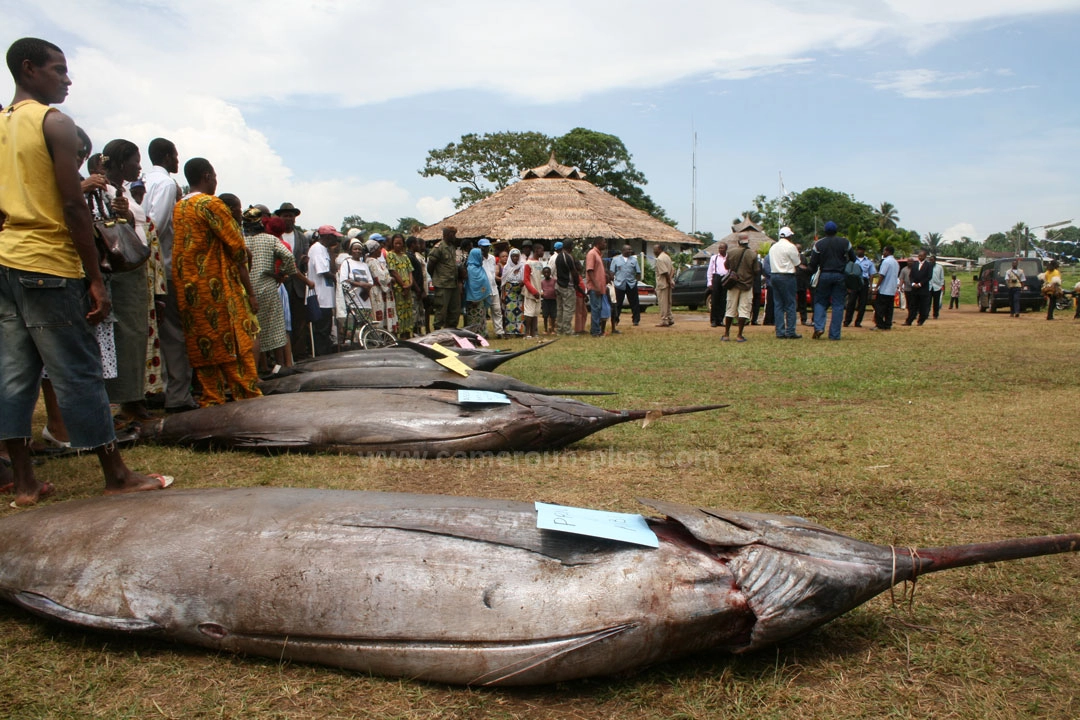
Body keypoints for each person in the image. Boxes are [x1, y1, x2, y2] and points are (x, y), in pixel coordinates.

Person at [1, 37, 173, 506]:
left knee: (13, 375)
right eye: (58, 70)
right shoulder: (53, 122)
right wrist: (95, 278)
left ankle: (25, 481)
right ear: (29, 68)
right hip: (49, 263)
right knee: (78, 370)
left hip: (8, 260)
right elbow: (73, 205)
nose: (67, 79)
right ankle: (116, 474)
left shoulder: (2, 124)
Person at [172, 158, 261, 405]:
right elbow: (236, 245)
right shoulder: (210, 203)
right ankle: (248, 397)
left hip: (189, 288)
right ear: (207, 176)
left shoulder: (179, 207)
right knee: (234, 342)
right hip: (217, 286)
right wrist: (245, 259)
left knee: (204, 345)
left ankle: (212, 399)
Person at [97, 139, 152, 426]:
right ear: (120, 162)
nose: (139, 167)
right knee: (125, 336)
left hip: (135, 268)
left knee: (136, 335)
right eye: (135, 161)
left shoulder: (125, 191)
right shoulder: (100, 190)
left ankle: (135, 398)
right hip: (119, 272)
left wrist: (128, 215)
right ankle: (125, 402)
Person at [142, 136, 195, 412]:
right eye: (175, 155)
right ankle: (178, 395)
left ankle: (157, 389)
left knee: (157, 333)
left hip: (147, 269)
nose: (177, 160)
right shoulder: (165, 184)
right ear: (166, 157)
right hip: (164, 268)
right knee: (174, 334)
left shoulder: (142, 181)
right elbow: (156, 225)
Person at [243, 207, 310, 370]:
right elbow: (288, 257)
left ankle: (261, 368)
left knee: (253, 330)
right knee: (276, 328)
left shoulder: (241, 241)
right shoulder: (270, 240)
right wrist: (281, 274)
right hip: (268, 286)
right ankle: (280, 365)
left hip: (245, 289)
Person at [808, 221, 855, 340]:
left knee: (820, 302)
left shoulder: (818, 244)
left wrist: (808, 273)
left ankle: (819, 327)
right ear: (836, 231)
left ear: (825, 231)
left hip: (824, 274)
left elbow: (813, 263)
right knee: (838, 304)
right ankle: (834, 334)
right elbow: (853, 259)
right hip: (840, 275)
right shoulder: (845, 242)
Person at [721, 234, 760, 342]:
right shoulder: (752, 254)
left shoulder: (731, 252)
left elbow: (726, 266)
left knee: (730, 309)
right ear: (748, 242)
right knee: (744, 310)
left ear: (738, 242)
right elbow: (756, 270)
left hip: (733, 284)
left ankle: (726, 334)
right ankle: (739, 335)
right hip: (747, 285)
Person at [768, 226, 802, 339]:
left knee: (778, 304)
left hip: (774, 275)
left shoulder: (773, 247)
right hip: (787, 276)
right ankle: (790, 331)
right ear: (789, 236)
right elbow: (797, 262)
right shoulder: (790, 246)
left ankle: (780, 331)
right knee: (790, 304)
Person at [428, 226, 459, 329]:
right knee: (441, 310)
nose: (454, 237)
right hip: (442, 284)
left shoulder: (452, 247)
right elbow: (430, 266)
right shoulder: (439, 248)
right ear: (447, 235)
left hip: (453, 283)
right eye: (453, 234)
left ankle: (451, 331)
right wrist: (437, 277)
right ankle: (437, 330)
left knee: (454, 310)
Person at [386, 233, 414, 339]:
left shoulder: (405, 256)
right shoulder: (390, 255)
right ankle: (400, 336)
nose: (398, 245)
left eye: (400, 243)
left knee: (408, 312)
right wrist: (403, 285)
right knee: (399, 312)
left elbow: (410, 271)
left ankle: (407, 335)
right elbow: (393, 271)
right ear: (392, 244)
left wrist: (410, 284)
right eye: (396, 243)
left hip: (408, 288)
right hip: (398, 289)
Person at [477, 238, 504, 337]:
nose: (486, 249)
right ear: (480, 247)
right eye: (484, 247)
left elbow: (493, 272)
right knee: (483, 312)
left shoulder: (492, 258)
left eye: (487, 247)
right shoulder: (478, 258)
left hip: (493, 287)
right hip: (483, 289)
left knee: (497, 310)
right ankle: (484, 332)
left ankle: (499, 332)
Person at [843, 245, 876, 328]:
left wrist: (870, 286)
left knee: (862, 303)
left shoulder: (869, 262)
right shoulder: (853, 261)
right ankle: (847, 321)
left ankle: (858, 322)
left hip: (864, 282)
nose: (859, 251)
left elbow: (871, 274)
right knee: (851, 302)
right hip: (854, 282)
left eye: (861, 250)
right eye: (858, 250)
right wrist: (848, 285)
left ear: (864, 251)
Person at [610, 244, 642, 328]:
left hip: (631, 284)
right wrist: (613, 281)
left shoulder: (634, 260)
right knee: (618, 303)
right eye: (628, 250)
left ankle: (636, 320)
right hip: (619, 284)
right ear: (623, 250)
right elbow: (612, 272)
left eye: (631, 250)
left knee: (634, 303)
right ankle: (616, 319)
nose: (630, 251)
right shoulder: (616, 259)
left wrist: (636, 281)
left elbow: (638, 272)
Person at [463, 246, 491, 335]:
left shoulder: (480, 268)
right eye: (480, 255)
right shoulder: (470, 269)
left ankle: (482, 334)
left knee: (481, 316)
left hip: (481, 299)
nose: (482, 257)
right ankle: (474, 334)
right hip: (472, 300)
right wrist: (474, 298)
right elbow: (470, 285)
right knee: (473, 318)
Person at [553, 240, 578, 335]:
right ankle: (567, 330)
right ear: (570, 247)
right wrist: (576, 283)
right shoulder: (568, 257)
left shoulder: (558, 256)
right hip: (567, 286)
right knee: (568, 308)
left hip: (559, 284)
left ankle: (559, 329)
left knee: (560, 309)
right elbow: (573, 271)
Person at [872, 245, 899, 331]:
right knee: (889, 308)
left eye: (884, 251)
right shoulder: (896, 262)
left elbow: (882, 275)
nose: (883, 253)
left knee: (879, 308)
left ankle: (879, 324)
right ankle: (888, 324)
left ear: (887, 251)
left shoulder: (886, 261)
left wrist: (876, 287)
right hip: (892, 289)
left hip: (884, 289)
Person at [903, 250, 932, 326]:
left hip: (923, 289)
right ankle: (909, 321)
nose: (920, 257)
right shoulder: (915, 264)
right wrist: (913, 283)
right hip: (914, 289)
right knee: (912, 305)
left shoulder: (928, 265)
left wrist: (920, 284)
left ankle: (921, 320)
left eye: (921, 256)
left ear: (925, 256)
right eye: (919, 256)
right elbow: (911, 276)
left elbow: (929, 277)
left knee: (923, 306)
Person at [585, 238, 607, 336]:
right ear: (598, 243)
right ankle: (595, 331)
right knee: (596, 309)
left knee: (598, 309)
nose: (605, 244)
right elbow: (590, 270)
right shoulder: (592, 254)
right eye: (604, 242)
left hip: (600, 287)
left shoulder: (598, 254)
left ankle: (595, 329)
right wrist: (596, 286)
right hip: (595, 287)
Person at [505, 246, 528, 337]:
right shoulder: (507, 267)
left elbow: (525, 279)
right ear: (510, 257)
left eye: (517, 256)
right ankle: (510, 331)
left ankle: (520, 331)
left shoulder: (522, 266)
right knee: (510, 311)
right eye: (513, 256)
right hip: (509, 293)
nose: (515, 258)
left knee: (520, 312)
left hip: (520, 292)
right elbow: (503, 282)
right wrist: (503, 295)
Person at [706, 242, 728, 327]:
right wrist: (709, 282)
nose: (720, 250)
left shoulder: (728, 258)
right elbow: (710, 270)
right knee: (715, 300)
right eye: (719, 248)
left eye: (722, 248)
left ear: (726, 249)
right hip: (716, 278)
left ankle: (720, 320)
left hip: (725, 278)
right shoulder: (714, 258)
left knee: (723, 300)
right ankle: (713, 320)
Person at [654, 244, 674, 327]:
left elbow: (664, 272)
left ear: (659, 249)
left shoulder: (660, 259)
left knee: (663, 303)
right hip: (668, 283)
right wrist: (671, 280)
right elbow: (673, 270)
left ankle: (664, 320)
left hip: (663, 283)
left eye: (655, 249)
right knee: (668, 302)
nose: (653, 251)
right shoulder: (667, 257)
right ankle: (670, 318)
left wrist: (669, 280)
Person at [540, 266, 557, 334]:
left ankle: (552, 329)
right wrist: (542, 294)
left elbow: (556, 288)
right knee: (545, 315)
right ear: (543, 273)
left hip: (553, 300)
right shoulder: (542, 282)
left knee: (553, 315)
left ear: (550, 273)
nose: (546, 274)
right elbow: (541, 290)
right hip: (545, 301)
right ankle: (545, 329)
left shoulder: (554, 281)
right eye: (545, 273)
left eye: (548, 272)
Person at [929, 255, 945, 319]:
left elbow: (942, 277)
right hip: (929, 287)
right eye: (930, 260)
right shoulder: (927, 266)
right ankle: (926, 314)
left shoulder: (940, 267)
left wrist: (941, 285)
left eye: (932, 260)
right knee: (928, 302)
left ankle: (935, 315)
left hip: (937, 287)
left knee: (936, 302)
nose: (931, 261)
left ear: (935, 260)